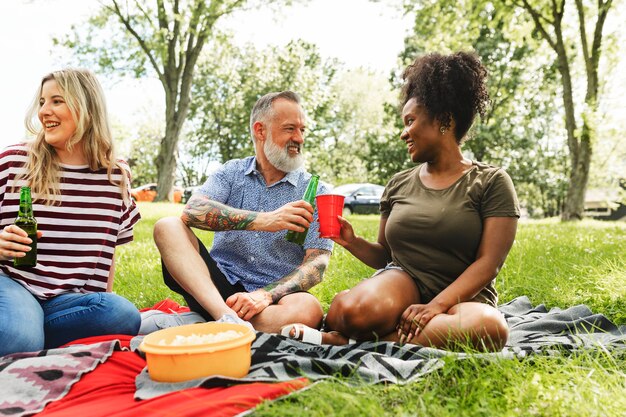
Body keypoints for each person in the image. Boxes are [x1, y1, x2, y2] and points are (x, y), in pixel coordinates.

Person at [282, 52, 519, 351]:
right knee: (351, 313)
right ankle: (365, 326)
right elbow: (385, 257)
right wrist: (352, 241)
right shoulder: (399, 183)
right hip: (404, 282)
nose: (403, 132)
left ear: (444, 121)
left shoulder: (492, 182)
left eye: (410, 121)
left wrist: (434, 306)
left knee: (491, 328)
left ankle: (352, 343)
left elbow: (489, 263)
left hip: (465, 298)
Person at [150, 91, 333, 334]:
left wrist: (265, 295)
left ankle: (207, 325)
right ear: (260, 130)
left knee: (308, 309)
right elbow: (192, 211)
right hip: (216, 290)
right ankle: (225, 319)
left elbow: (317, 263)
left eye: (303, 130)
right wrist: (265, 220)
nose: (299, 138)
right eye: (290, 128)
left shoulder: (318, 191)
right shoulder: (231, 172)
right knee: (168, 225)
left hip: (274, 297)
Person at [0, 68, 142, 356]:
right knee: (19, 337)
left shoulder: (116, 174)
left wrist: (103, 296)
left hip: (66, 301)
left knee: (123, 314)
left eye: (56, 101)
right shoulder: (14, 160)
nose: (44, 111)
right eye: (42, 102)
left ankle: (28, 331)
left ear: (87, 108)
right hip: (11, 283)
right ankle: (23, 332)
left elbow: (110, 247)